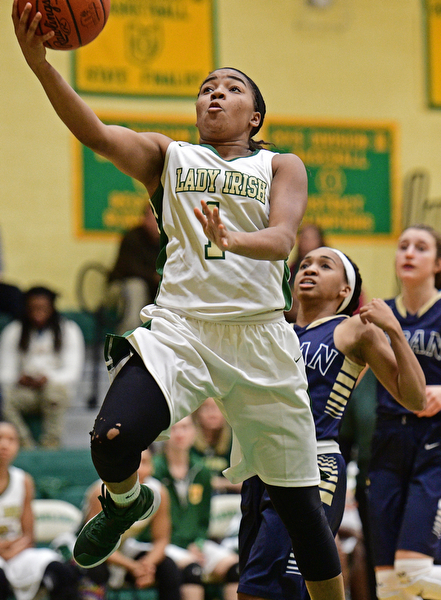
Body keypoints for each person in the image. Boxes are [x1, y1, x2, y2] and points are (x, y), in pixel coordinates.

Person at [14, 6, 347, 598]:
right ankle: (124, 503)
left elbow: (282, 240)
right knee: (110, 438)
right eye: (206, 89)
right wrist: (40, 67)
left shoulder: (280, 164)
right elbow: (95, 133)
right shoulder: (169, 158)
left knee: (303, 516)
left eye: (231, 88)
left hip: (261, 338)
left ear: (256, 114)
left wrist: (234, 238)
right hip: (183, 329)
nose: (215, 94)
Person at [237, 246, 426, 600]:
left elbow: (414, 398)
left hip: (311, 466)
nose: (309, 269)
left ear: (345, 291)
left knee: (267, 590)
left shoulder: (354, 328)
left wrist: (395, 332)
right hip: (259, 468)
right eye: (305, 264)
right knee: (251, 588)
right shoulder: (275, 330)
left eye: (325, 266)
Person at [367, 224, 441, 600]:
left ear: (438, 263)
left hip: (434, 444)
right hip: (387, 441)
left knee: (413, 571)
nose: (409, 253)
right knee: (391, 587)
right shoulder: (379, 315)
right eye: (403, 246)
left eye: (421, 248)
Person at [151, 415, 239, 600]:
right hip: (163, 543)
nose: (180, 433)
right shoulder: (154, 470)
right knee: (192, 570)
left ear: (194, 432)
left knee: (236, 568)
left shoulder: (202, 471)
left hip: (194, 543)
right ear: (163, 434)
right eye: (174, 428)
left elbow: (203, 519)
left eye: (185, 427)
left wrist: (198, 543)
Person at [79, 448, 181, 600]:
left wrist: (147, 565)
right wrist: (133, 567)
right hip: (86, 551)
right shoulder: (102, 491)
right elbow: (97, 547)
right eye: (132, 463)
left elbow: (161, 539)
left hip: (124, 548)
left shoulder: (159, 493)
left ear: (152, 467)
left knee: (168, 567)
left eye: (144, 462)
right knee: (95, 568)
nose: (137, 469)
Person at [0, 420, 79, 600]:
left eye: (11, 439)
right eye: (0, 438)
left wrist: (10, 552)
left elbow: (28, 536)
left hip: (16, 551)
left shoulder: (23, 480)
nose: (4, 445)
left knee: (61, 571)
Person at [0, 286, 85, 448]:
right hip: (26, 391)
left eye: (43, 308)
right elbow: (5, 372)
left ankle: (51, 444)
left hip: (55, 391)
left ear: (52, 308)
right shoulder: (14, 330)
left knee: (54, 392)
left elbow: (72, 372)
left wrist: (48, 378)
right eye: (33, 308)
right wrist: (20, 378)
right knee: (5, 399)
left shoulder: (69, 329)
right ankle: (24, 443)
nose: (37, 312)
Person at [108, 203, 161, 334]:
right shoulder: (132, 237)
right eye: (154, 217)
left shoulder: (167, 241)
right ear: (144, 218)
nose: (158, 221)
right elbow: (130, 269)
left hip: (153, 288)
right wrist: (154, 276)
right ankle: (127, 339)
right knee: (136, 287)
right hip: (121, 287)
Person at [192, 397, 241, 494]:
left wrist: (219, 483)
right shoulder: (190, 441)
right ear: (197, 413)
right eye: (206, 408)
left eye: (217, 407)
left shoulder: (234, 440)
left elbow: (245, 483)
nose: (212, 413)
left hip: (229, 499)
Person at [284, 223, 326, 323]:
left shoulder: (330, 269)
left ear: (320, 241)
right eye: (302, 238)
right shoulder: (292, 269)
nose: (304, 242)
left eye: (309, 238)